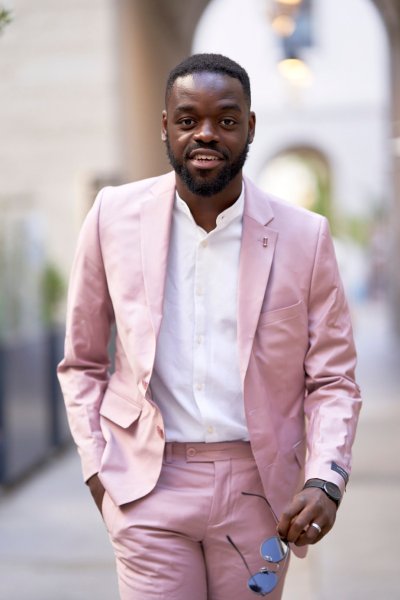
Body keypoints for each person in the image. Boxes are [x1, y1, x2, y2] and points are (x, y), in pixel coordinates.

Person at [58, 53, 361, 600]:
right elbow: (82, 360)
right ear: (165, 127)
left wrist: (326, 478)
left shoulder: (304, 237)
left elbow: (334, 380)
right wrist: (97, 470)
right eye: (187, 119)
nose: (205, 134)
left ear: (249, 127)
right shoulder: (111, 217)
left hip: (259, 492)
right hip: (146, 486)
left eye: (225, 120)